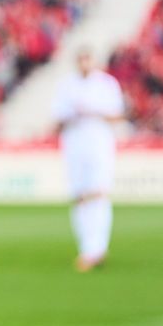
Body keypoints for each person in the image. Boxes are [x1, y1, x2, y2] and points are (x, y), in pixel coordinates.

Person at [53, 48, 125, 271]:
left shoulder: (106, 84)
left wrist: (94, 111)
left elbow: (118, 114)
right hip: (75, 146)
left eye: (88, 58)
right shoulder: (66, 85)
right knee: (80, 196)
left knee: (99, 193)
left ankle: (97, 248)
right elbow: (57, 120)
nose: (84, 63)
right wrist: (73, 114)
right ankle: (87, 247)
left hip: (99, 145)